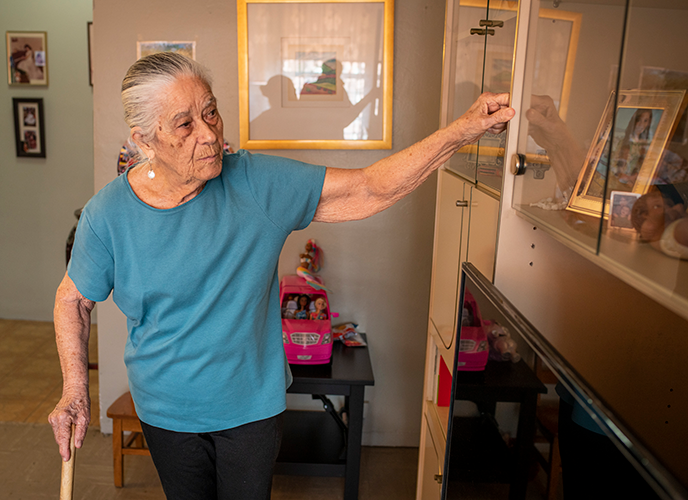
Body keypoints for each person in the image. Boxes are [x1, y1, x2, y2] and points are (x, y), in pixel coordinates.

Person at [48, 52, 513, 500]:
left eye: (212, 113)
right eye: (185, 124)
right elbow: (74, 298)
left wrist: (463, 129)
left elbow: (370, 187)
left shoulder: (255, 184)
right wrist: (74, 389)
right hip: (165, 409)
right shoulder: (107, 214)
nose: (209, 134)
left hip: (250, 407)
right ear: (144, 140)